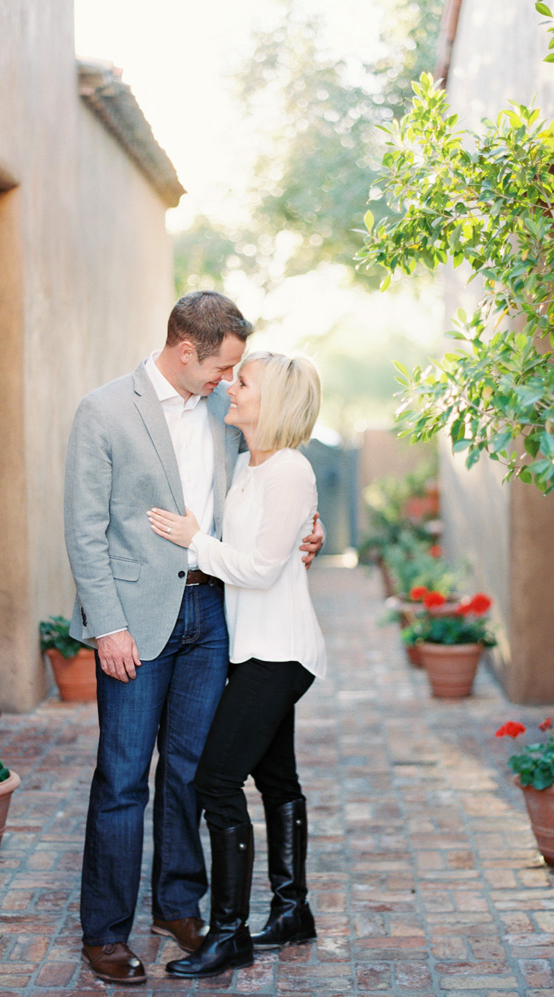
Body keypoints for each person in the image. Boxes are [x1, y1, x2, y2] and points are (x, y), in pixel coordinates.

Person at [63, 293, 323, 986]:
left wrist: (309, 530)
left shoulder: (221, 414)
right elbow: (85, 530)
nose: (228, 380)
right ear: (187, 351)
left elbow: (273, 483)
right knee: (122, 777)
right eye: (224, 366)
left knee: (190, 768)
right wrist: (108, 624)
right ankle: (106, 931)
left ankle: (180, 904)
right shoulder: (105, 410)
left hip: (213, 620)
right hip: (137, 623)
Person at [146, 351, 326, 979]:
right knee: (276, 781)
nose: (231, 386)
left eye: (242, 381)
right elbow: (263, 544)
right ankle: (291, 911)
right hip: (254, 650)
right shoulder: (253, 464)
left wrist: (193, 539)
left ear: (269, 402)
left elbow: (256, 567)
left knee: (215, 783)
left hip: (277, 654)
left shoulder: (289, 472)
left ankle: (229, 935)